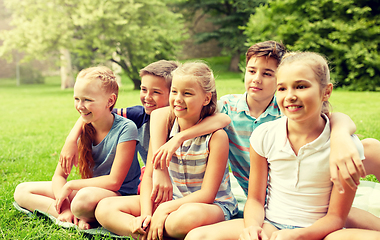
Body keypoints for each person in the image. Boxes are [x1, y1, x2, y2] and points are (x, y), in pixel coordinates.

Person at [186, 52, 365, 240]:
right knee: (197, 236)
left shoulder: (346, 148)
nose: (290, 96)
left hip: (321, 231)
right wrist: (253, 227)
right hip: (271, 224)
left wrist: (299, 235)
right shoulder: (264, 135)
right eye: (282, 89)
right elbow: (255, 200)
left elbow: (336, 217)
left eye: (301, 86)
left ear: (326, 91)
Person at [95, 62, 238, 240]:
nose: (178, 99)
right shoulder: (165, 126)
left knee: (187, 217)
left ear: (206, 98)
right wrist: (146, 214)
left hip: (209, 206)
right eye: (174, 91)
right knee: (104, 208)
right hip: (171, 202)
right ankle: (145, 229)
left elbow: (207, 195)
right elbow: (148, 177)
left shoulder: (216, 137)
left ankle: (154, 231)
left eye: (187, 93)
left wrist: (164, 209)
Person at [13, 66, 141, 230]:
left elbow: (114, 182)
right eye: (77, 99)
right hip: (87, 192)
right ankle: (68, 215)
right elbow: (59, 177)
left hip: (117, 195)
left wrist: (71, 185)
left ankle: (80, 214)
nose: (80, 106)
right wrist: (65, 205)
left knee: (82, 199)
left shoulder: (126, 129)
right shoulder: (82, 129)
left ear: (110, 101)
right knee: (22, 190)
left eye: (88, 100)